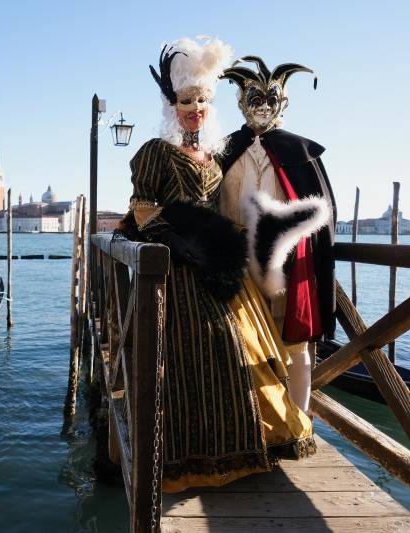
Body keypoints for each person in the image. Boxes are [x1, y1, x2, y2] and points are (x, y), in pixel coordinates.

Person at [121, 38, 323, 493]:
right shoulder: (156, 152)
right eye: (188, 101)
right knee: (202, 354)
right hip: (176, 269)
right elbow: (140, 210)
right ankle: (189, 454)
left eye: (204, 101)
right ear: (172, 104)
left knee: (243, 349)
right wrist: (177, 239)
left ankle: (248, 441)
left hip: (219, 265)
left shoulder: (213, 155)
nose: (196, 109)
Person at [219, 56, 337, 414]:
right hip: (233, 261)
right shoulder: (223, 150)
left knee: (295, 344)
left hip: (286, 262)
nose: (263, 108)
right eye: (254, 100)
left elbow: (322, 214)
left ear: (282, 102)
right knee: (237, 342)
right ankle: (250, 423)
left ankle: (298, 422)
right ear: (241, 102)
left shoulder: (300, 152)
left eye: (270, 100)